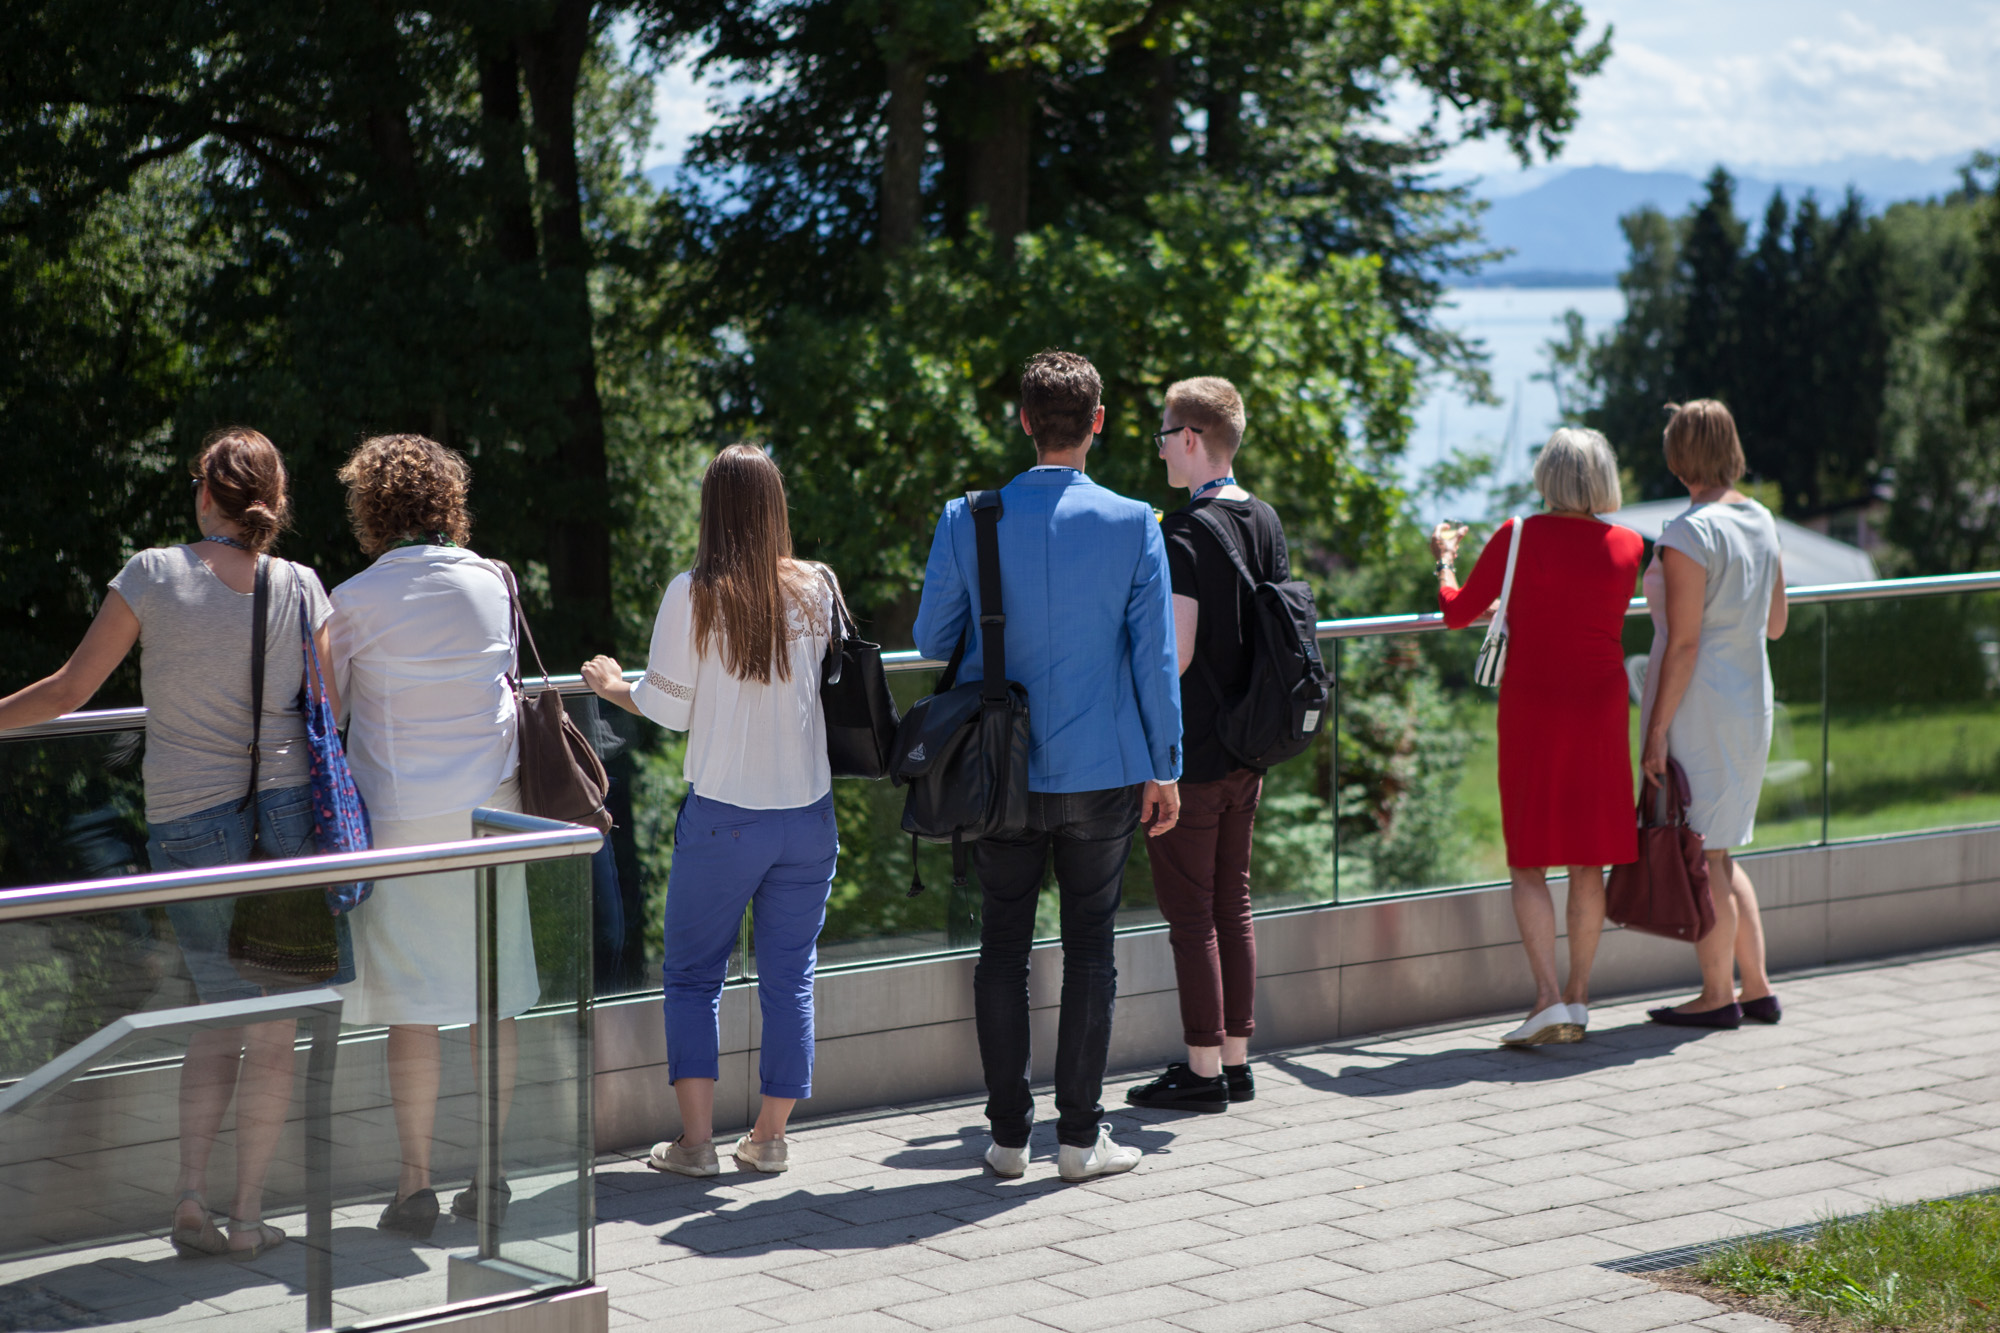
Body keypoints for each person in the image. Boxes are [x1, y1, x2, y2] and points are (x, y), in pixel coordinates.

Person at [0, 427, 339, 1259]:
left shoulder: (152, 574)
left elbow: (69, 689)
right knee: (272, 1023)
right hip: (286, 820)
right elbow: (333, 706)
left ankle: (190, 1194)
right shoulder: (301, 584)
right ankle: (248, 1213)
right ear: (273, 500)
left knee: (216, 1007)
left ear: (206, 494)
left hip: (188, 818)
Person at [913, 350, 1183, 1182]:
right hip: (1105, 767)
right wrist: (1165, 765)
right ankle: (1079, 1139)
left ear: (1026, 420)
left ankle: (1006, 1139)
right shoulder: (1135, 521)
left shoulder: (968, 518)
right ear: (1097, 422)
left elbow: (930, 638)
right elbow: (1155, 661)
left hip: (1000, 774)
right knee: (1091, 948)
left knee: (1002, 946)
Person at [581, 443, 842, 1177]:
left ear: (712, 507)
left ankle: (696, 1146)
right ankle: (768, 1138)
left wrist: (610, 685)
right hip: (809, 815)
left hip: (726, 815)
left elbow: (668, 707)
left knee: (695, 977)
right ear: (775, 505)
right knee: (790, 977)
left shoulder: (694, 592)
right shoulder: (816, 586)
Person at [327, 434, 536, 1238]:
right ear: (449, 501)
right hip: (493, 817)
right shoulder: (494, 580)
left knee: (413, 1007)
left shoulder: (351, 599)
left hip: (401, 822)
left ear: (371, 509)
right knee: (493, 992)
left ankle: (414, 1182)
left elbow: (330, 712)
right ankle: (491, 1171)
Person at [1432, 428, 1642, 1046]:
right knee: (1588, 858)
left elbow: (1456, 611)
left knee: (1530, 859)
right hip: (1602, 708)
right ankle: (1578, 999)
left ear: (1547, 476)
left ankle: (1546, 998)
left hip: (1535, 707)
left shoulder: (1516, 535)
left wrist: (1444, 560)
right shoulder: (1630, 544)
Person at [1126, 377, 1283, 1114]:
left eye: (1164, 435)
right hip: (1252, 745)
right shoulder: (1265, 519)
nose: (1160, 449)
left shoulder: (1185, 532)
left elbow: (1177, 653)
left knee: (1191, 914)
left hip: (1196, 754)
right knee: (1233, 902)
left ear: (1190, 438)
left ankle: (1201, 1070)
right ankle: (1236, 1061)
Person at [1641, 401, 1788, 1029]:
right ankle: (1756, 988)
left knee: (1701, 852)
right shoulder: (1761, 519)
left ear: (1679, 457)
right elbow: (1776, 624)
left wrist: (1654, 733)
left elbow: (1684, 645)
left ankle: (1715, 995)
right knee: (1722, 850)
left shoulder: (1688, 533)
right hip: (1751, 699)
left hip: (1700, 706)